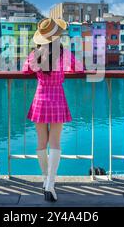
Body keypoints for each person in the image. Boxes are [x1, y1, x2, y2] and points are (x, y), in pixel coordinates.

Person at [22, 18, 83, 202]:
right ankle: (50, 183)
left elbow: (25, 71)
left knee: (42, 142)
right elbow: (79, 69)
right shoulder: (62, 54)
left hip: (40, 99)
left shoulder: (36, 54)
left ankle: (44, 180)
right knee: (55, 142)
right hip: (57, 98)